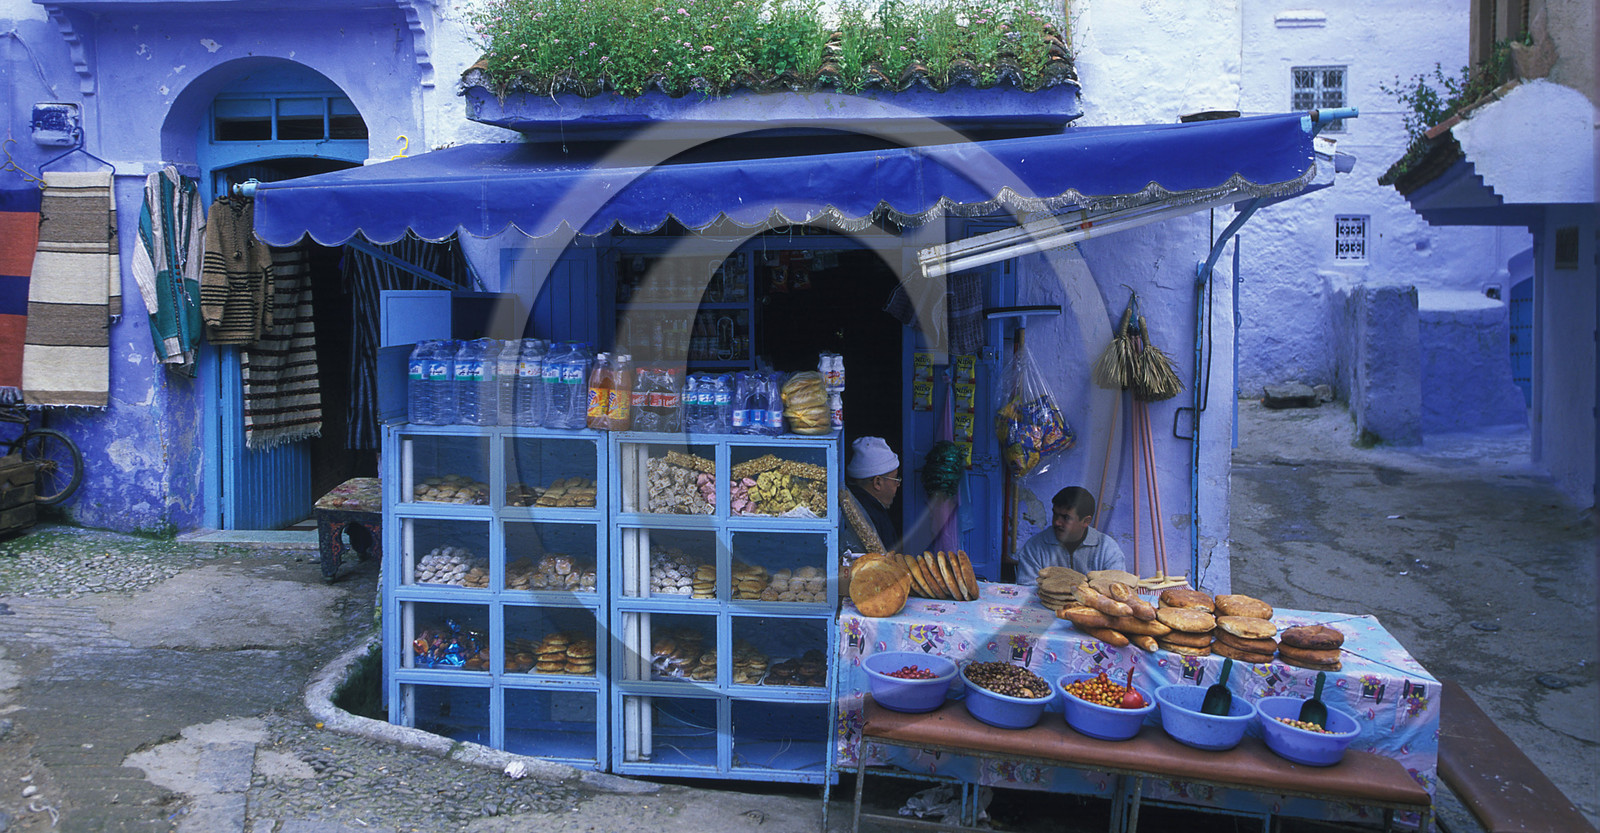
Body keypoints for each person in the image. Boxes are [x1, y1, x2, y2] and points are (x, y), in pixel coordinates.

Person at [1011, 486, 1126, 586]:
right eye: (1055, 514)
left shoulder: (1107, 549)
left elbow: (1116, 591)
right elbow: (1027, 592)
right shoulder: (1035, 547)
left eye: (1066, 518)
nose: (1057, 522)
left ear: (1086, 521)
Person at [844, 436, 903, 553]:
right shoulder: (872, 515)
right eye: (895, 479)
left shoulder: (853, 502)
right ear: (877, 482)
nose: (898, 484)